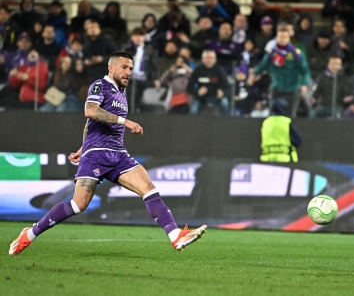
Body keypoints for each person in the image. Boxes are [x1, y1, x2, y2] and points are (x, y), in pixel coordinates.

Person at [9, 51, 207, 256]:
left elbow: (90, 123)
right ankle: (30, 234)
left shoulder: (122, 92)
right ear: (111, 68)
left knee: (149, 189)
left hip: (118, 154)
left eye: (130, 68)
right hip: (96, 153)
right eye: (124, 67)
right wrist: (123, 123)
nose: (128, 71)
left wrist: (81, 147)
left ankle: (175, 235)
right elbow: (91, 111)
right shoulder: (99, 85)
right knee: (79, 204)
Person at [250, 26, 311, 118]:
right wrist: (253, 74)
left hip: (293, 88)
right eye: (280, 36)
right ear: (277, 38)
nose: (282, 39)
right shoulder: (273, 52)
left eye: (285, 37)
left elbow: (305, 70)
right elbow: (263, 65)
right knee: (273, 115)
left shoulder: (296, 53)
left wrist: (304, 84)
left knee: (290, 116)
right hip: (277, 87)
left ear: (289, 38)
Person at [186, 50, 229, 115]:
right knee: (193, 109)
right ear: (202, 59)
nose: (209, 60)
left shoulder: (220, 70)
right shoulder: (197, 70)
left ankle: (226, 124)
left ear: (215, 60)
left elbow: (227, 86)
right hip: (201, 98)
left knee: (225, 104)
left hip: (217, 97)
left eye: (211, 58)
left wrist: (222, 92)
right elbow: (189, 88)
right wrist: (198, 92)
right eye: (207, 58)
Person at [260, 98, 302, 163]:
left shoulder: (266, 122)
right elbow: (298, 141)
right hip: (284, 160)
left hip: (267, 159)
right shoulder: (286, 122)